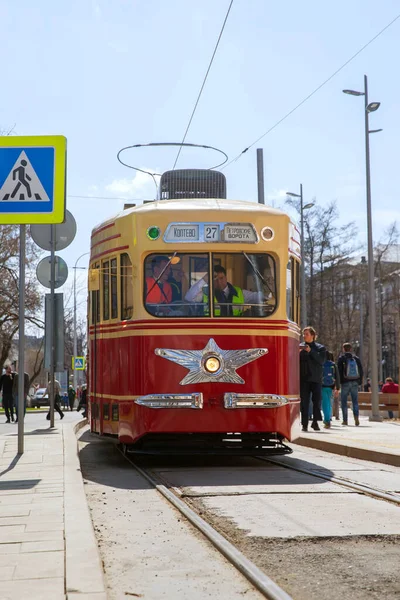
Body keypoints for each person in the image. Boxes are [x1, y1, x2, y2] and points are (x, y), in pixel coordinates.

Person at [185, 265, 268, 317]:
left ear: (226, 278)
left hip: (235, 329)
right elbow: (188, 297)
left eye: (221, 278)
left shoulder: (239, 292)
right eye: (215, 279)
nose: (219, 281)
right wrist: (204, 279)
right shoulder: (205, 292)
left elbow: (258, 296)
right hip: (211, 328)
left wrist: (269, 295)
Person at [299, 326, 326, 432]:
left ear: (313, 336)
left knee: (316, 402)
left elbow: (321, 361)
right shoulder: (300, 347)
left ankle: (315, 422)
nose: (304, 336)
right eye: (303, 334)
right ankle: (304, 424)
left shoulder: (320, 348)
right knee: (304, 402)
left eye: (307, 334)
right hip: (303, 379)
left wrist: (311, 351)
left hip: (316, 379)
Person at [338, 343, 363, 426]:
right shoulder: (356, 358)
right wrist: (359, 381)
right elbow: (361, 370)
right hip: (355, 382)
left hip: (345, 382)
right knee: (355, 401)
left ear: (343, 349)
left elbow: (339, 371)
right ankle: (356, 418)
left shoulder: (341, 358)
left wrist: (339, 382)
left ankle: (345, 420)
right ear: (351, 349)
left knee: (344, 402)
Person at [321, 351, 340, 428]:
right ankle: (328, 418)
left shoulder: (321, 364)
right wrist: (338, 388)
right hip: (331, 386)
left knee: (324, 403)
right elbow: (337, 377)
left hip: (322, 386)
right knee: (329, 403)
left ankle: (327, 420)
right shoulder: (333, 365)